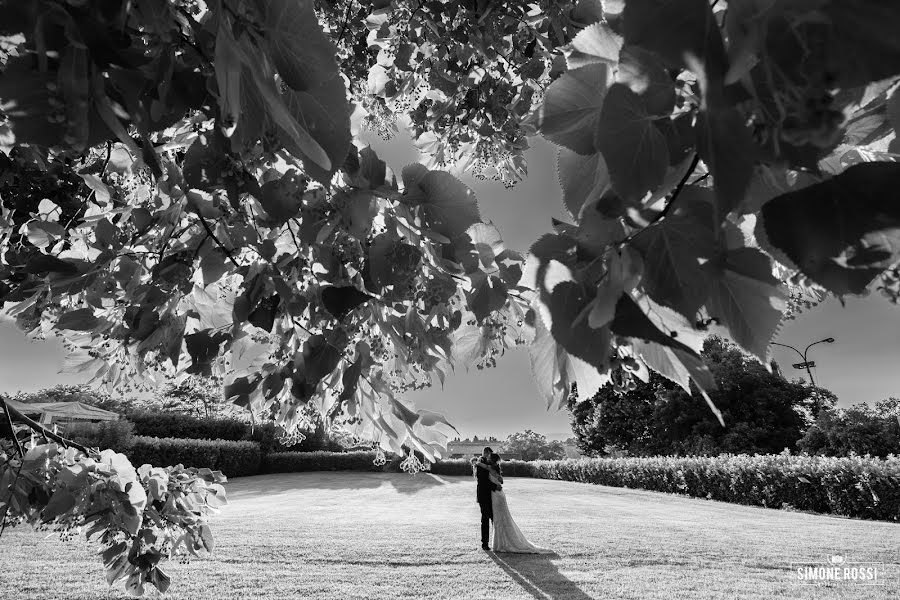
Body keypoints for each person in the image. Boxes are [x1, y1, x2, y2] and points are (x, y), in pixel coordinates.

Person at [474, 452, 552, 554]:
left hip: (495, 496)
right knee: (500, 519)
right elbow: (500, 481)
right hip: (499, 495)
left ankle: (499, 543)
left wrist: (476, 461)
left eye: (488, 456)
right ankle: (499, 542)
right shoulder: (494, 468)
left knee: (498, 519)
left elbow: (478, 464)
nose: (487, 458)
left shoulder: (488, 467)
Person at [471, 447, 497, 550]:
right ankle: (485, 543)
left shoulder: (488, 463)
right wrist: (495, 486)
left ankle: (496, 541)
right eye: (490, 454)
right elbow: (483, 481)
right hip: (483, 495)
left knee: (494, 518)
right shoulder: (481, 463)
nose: (490, 456)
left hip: (491, 495)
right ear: (486, 453)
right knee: (486, 518)